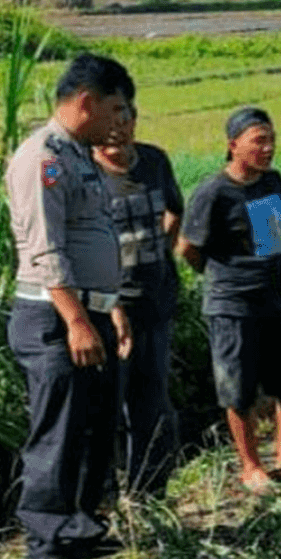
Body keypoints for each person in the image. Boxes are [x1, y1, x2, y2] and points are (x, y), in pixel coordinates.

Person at [5, 53, 134, 559]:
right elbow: (45, 249)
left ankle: (78, 529)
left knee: (92, 426)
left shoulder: (78, 156)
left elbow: (92, 239)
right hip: (56, 318)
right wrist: (78, 321)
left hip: (89, 312)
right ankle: (43, 552)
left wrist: (110, 308)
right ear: (86, 102)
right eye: (115, 109)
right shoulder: (43, 158)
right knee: (57, 432)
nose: (121, 122)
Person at [177, 107, 281, 492]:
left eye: (271, 140)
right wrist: (224, 276)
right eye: (259, 141)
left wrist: (261, 274)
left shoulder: (272, 183)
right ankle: (250, 465)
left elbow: (270, 239)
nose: (268, 149)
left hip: (272, 294)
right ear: (233, 146)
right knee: (238, 387)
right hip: (231, 303)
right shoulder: (213, 192)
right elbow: (188, 248)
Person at [93, 103, 184, 499]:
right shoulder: (86, 173)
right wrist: (112, 305)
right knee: (107, 406)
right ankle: (104, 499)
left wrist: (161, 251)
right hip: (110, 309)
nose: (117, 131)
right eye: (109, 123)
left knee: (152, 402)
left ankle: (150, 496)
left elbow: (175, 211)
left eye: (125, 120)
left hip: (156, 301)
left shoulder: (153, 161)